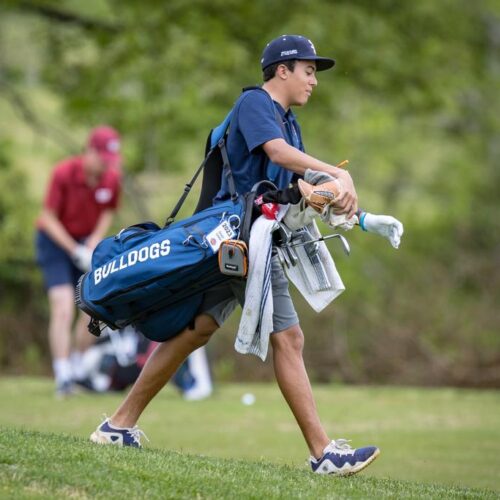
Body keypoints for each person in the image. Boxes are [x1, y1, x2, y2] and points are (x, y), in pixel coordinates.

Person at [90, 35, 397, 476]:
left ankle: (118, 425)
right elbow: (277, 157)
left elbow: (298, 190)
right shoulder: (257, 103)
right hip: (240, 239)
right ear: (282, 70)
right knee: (289, 340)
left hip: (241, 242)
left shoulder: (288, 123)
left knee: (197, 330)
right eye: (308, 71)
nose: (313, 81)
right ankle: (323, 453)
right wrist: (333, 172)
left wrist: (360, 216)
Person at [36, 125, 122, 397]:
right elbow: (48, 218)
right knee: (62, 305)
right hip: (55, 242)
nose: (105, 167)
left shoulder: (110, 180)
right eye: (103, 160)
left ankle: (75, 367)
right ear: (90, 151)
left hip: (86, 243)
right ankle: (62, 374)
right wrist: (74, 249)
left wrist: (94, 240)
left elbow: (108, 211)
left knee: (90, 307)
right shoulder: (63, 173)